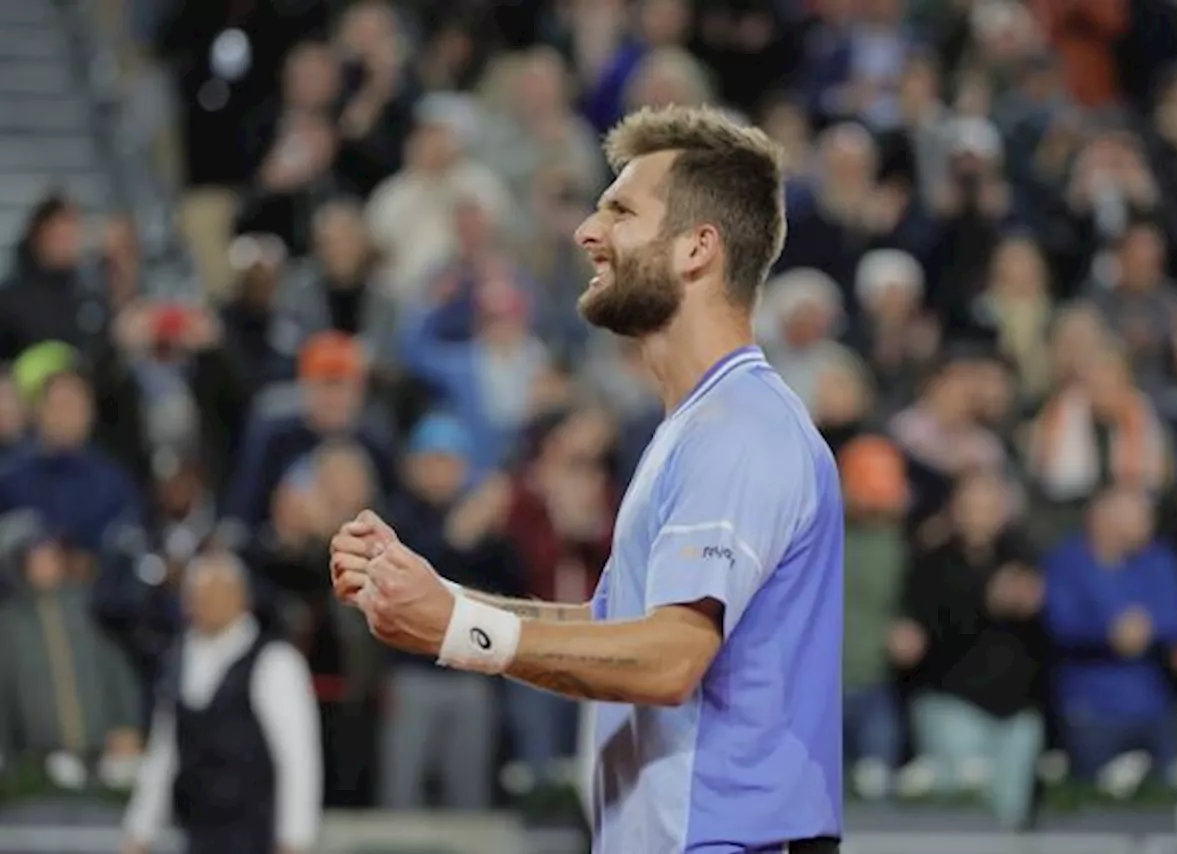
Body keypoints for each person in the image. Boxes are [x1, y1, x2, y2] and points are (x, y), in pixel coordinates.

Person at [330, 104, 845, 853]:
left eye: (622, 211)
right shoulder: (697, 429)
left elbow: (668, 659)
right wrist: (441, 600)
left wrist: (459, 630)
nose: (587, 232)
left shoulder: (741, 430)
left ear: (696, 250)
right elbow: (615, 634)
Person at [121, 552, 322, 854]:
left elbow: (298, 759)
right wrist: (139, 832)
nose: (202, 604)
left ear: (241, 597)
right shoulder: (179, 661)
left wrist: (296, 839)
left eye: (214, 594)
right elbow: (164, 754)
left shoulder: (274, 662)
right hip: (198, 834)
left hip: (256, 835)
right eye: (196, 596)